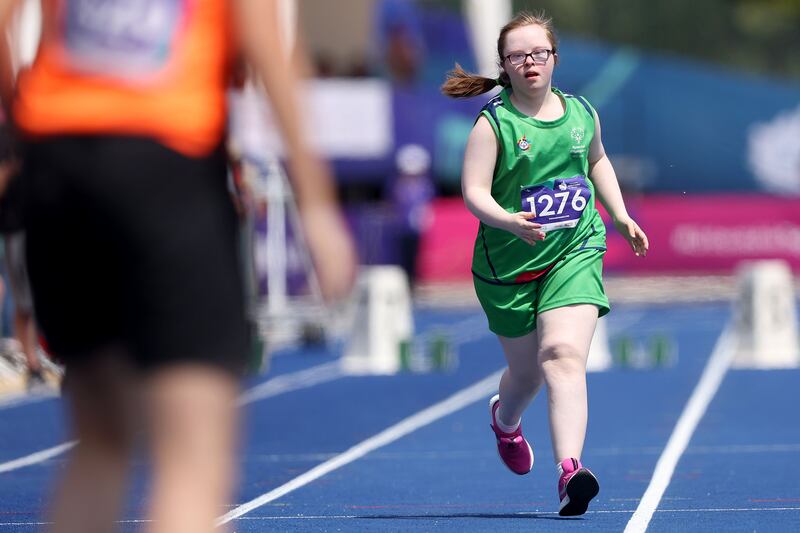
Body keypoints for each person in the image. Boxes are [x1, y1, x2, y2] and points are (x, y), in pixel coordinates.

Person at [0, 2, 356, 533]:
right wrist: (317, 203)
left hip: (58, 160)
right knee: (191, 461)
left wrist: (22, 123)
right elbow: (266, 42)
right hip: (168, 155)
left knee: (97, 445)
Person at [442, 11, 648, 517]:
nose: (529, 62)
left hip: (574, 249)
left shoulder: (582, 113)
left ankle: (570, 471)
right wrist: (510, 221)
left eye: (539, 53)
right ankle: (505, 421)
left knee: (560, 355)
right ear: (505, 66)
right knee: (527, 376)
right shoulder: (494, 124)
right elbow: (472, 192)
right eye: (518, 55)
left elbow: (597, 160)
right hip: (507, 267)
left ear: (555, 58)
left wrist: (619, 215)